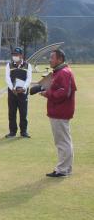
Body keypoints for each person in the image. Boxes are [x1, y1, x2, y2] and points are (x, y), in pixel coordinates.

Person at [40, 49, 77, 177]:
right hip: (59, 111)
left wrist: (47, 93)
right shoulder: (60, 72)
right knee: (64, 141)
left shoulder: (63, 73)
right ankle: (66, 168)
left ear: (60, 59)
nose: (50, 59)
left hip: (60, 111)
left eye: (52, 57)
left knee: (62, 142)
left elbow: (64, 93)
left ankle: (62, 170)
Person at [5, 47, 32, 138]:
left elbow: (29, 78)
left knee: (23, 112)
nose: (14, 56)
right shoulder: (9, 65)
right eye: (13, 55)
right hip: (12, 92)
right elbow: (7, 78)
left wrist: (24, 88)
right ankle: (12, 132)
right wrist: (12, 88)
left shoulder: (28, 65)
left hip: (23, 92)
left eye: (16, 55)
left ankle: (24, 131)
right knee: (12, 112)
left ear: (21, 55)